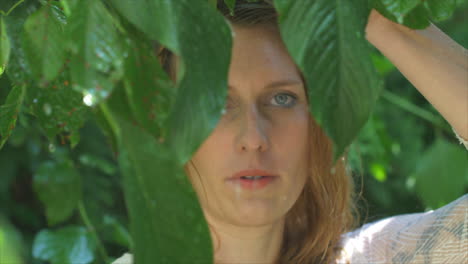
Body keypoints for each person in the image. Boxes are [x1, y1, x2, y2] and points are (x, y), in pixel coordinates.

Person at [113, 1, 468, 263]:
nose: (253, 137)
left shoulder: (378, 257)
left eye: (282, 98)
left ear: (318, 125)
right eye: (216, 104)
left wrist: (377, 16)